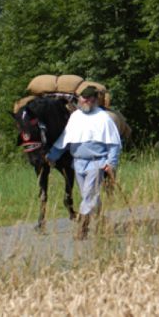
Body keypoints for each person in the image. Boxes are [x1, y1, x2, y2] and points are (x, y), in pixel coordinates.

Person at [46, 85, 121, 240]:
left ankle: (82, 227)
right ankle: (101, 222)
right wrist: (52, 155)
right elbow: (65, 139)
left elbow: (114, 143)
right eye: (83, 98)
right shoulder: (75, 117)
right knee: (90, 195)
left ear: (95, 100)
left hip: (97, 163)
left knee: (88, 195)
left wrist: (111, 163)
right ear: (79, 99)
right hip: (78, 163)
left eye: (89, 98)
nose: (86, 101)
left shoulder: (103, 118)